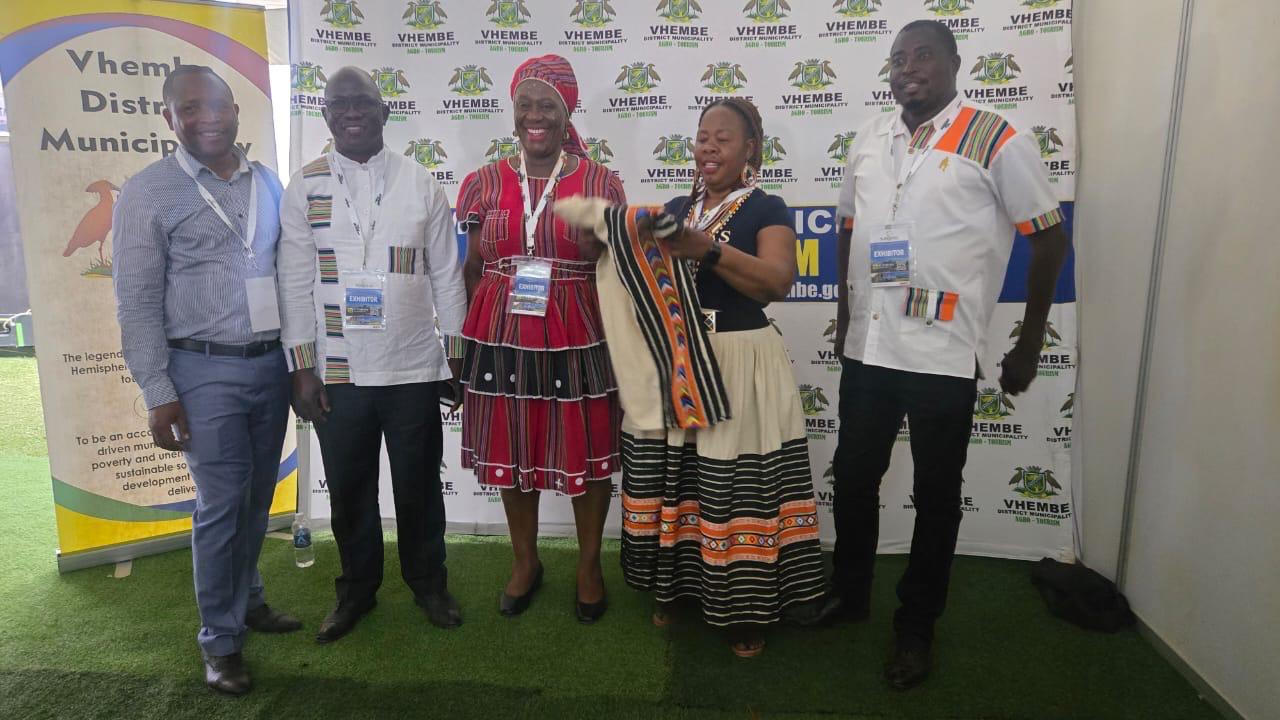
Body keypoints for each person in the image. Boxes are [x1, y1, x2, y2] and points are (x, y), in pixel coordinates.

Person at [825, 20, 1070, 689]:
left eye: (922, 55)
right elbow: (849, 229)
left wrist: (1027, 341)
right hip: (869, 350)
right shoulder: (871, 137)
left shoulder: (993, 135)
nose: (907, 69)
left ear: (955, 62)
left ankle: (915, 628)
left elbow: (1047, 238)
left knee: (936, 499)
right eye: (897, 59)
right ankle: (849, 595)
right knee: (852, 479)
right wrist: (845, 325)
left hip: (942, 357)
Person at [113, 65, 300, 696]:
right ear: (169, 118)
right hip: (200, 368)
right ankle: (220, 644)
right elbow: (135, 300)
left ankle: (248, 599)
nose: (207, 118)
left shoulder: (269, 185)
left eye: (216, 105)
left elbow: (289, 278)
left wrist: (298, 364)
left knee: (253, 497)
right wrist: (158, 392)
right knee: (221, 503)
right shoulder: (148, 192)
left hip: (270, 366)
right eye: (189, 108)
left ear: (237, 111)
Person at [616, 98, 825, 658]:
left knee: (735, 490)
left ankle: (746, 610)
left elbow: (777, 282)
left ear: (750, 149)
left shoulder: (768, 207)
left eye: (722, 139)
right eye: (702, 136)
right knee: (679, 483)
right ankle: (677, 587)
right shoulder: (676, 207)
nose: (707, 147)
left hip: (739, 363)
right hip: (680, 361)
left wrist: (707, 249)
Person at [278, 67, 468, 643]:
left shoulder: (420, 182)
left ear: (385, 113)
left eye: (363, 103)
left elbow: (446, 275)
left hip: (412, 365)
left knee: (418, 485)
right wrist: (302, 367)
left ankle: (428, 582)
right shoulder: (304, 186)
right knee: (350, 487)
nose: (351, 112)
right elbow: (292, 281)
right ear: (327, 116)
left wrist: (455, 355)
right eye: (339, 105)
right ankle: (357, 590)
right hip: (339, 372)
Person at [455, 54, 624, 623]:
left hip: (580, 335)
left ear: (566, 110)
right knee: (512, 445)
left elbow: (616, 269)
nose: (535, 116)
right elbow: (471, 268)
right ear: (512, 111)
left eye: (547, 105)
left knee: (589, 451)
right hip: (501, 335)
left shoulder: (600, 181)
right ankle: (525, 561)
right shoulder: (482, 182)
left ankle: (588, 565)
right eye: (524, 104)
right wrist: (478, 328)